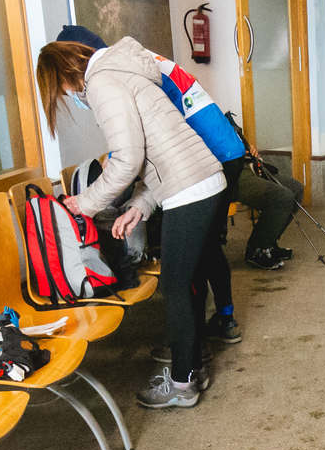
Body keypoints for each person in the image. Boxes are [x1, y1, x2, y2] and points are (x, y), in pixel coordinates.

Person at [36, 37, 225, 409]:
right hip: (201, 183)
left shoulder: (103, 83)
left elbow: (126, 158)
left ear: (64, 74)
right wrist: (140, 205)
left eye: (60, 89)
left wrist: (84, 204)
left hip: (189, 190)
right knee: (187, 283)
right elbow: (162, 153)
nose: (67, 96)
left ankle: (182, 383)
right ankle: (193, 365)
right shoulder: (124, 72)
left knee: (174, 288)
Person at [57, 24, 301, 278]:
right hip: (221, 152)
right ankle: (219, 308)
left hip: (205, 160)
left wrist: (106, 170)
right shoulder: (140, 60)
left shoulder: (114, 76)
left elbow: (149, 131)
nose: (73, 91)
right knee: (207, 245)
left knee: (200, 250)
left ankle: (209, 306)